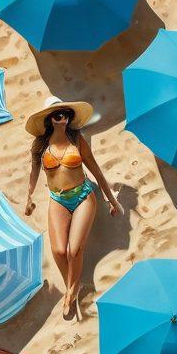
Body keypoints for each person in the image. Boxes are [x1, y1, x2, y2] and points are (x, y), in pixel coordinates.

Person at [24, 96, 123, 322]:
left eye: (67, 114)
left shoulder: (77, 139)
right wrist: (28, 197)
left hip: (82, 196)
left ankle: (72, 293)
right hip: (57, 199)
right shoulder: (40, 146)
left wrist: (111, 200)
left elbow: (96, 170)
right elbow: (33, 174)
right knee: (59, 250)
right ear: (50, 119)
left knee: (73, 250)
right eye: (59, 114)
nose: (64, 118)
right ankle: (73, 286)